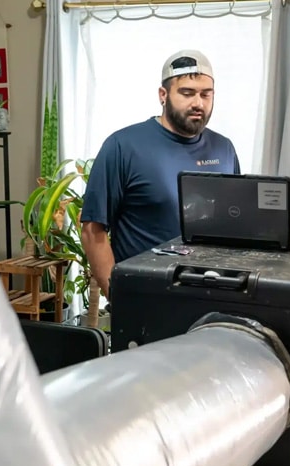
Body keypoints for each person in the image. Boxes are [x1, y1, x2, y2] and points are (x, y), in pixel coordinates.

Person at [80, 50, 240, 298]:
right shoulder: (123, 146)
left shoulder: (224, 148)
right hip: (147, 297)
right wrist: (119, 296)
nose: (198, 103)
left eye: (205, 94)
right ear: (163, 95)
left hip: (211, 295)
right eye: (187, 93)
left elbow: (234, 223)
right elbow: (93, 230)